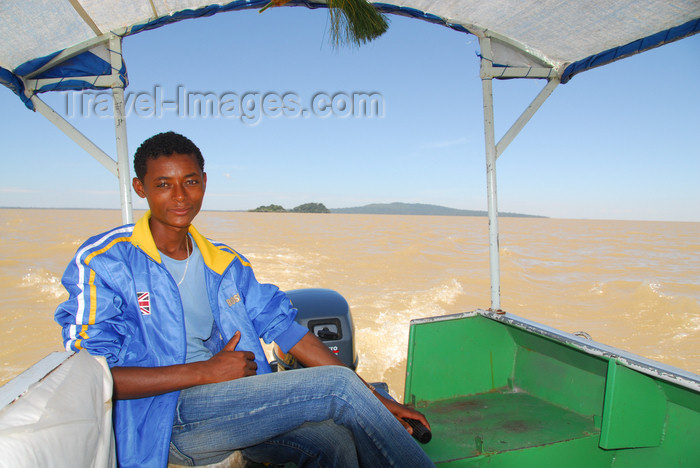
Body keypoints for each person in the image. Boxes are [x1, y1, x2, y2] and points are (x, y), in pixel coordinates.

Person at [55, 131, 435, 468]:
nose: (180, 196)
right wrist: (206, 372)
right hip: (165, 421)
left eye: (190, 182)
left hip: (236, 405)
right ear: (140, 188)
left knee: (334, 444)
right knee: (336, 386)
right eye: (163, 184)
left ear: (204, 182)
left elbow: (286, 330)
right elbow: (93, 375)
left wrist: (371, 397)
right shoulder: (105, 260)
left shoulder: (225, 263)